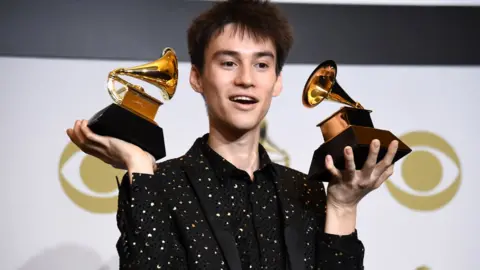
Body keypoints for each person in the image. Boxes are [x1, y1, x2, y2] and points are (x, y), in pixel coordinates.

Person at [67, 0, 398, 269]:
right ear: (196, 77)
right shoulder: (157, 185)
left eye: (261, 65)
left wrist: (342, 206)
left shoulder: (306, 191)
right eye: (228, 63)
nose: (246, 79)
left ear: (277, 81)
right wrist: (138, 164)